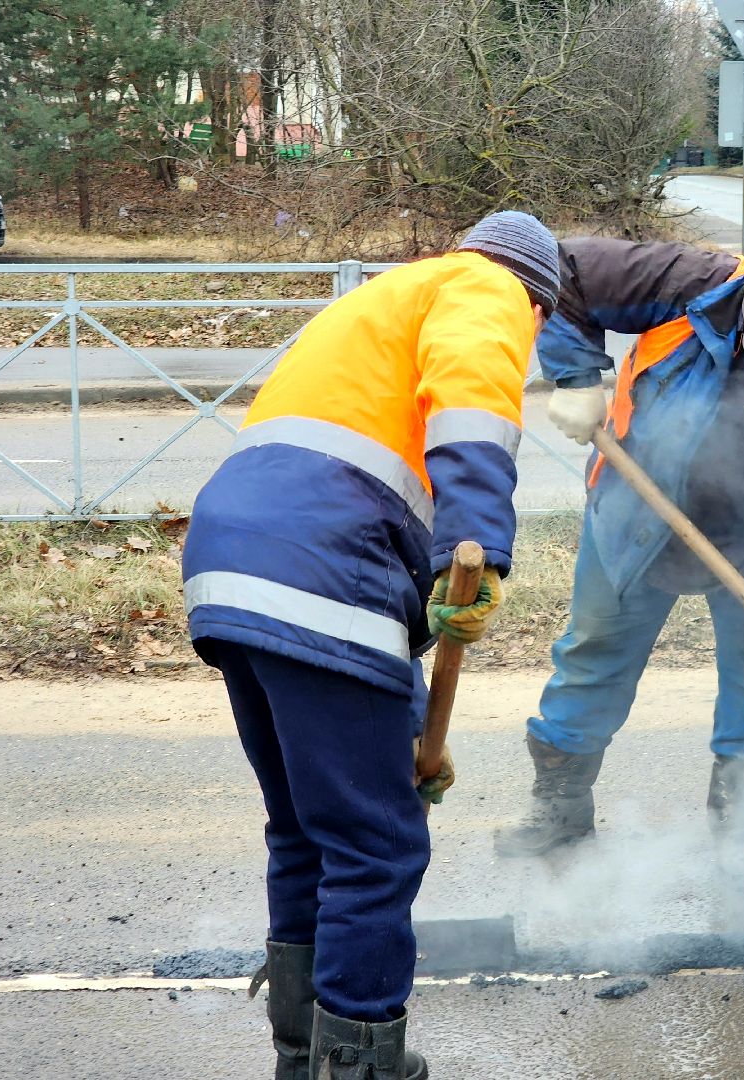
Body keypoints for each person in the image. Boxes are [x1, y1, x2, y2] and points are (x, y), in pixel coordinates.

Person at [181, 211, 559, 1080]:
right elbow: (469, 414)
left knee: (310, 831)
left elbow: (365, 531)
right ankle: (356, 1065)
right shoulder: (488, 286)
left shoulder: (385, 299)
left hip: (232, 566)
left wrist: (414, 729)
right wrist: (484, 550)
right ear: (538, 306)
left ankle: (302, 1055)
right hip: (319, 572)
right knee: (376, 848)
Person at [493, 245, 744, 858]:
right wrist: (573, 378)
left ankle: (742, 836)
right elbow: (559, 269)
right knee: (594, 656)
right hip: (636, 518)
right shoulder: (691, 285)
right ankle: (559, 818)